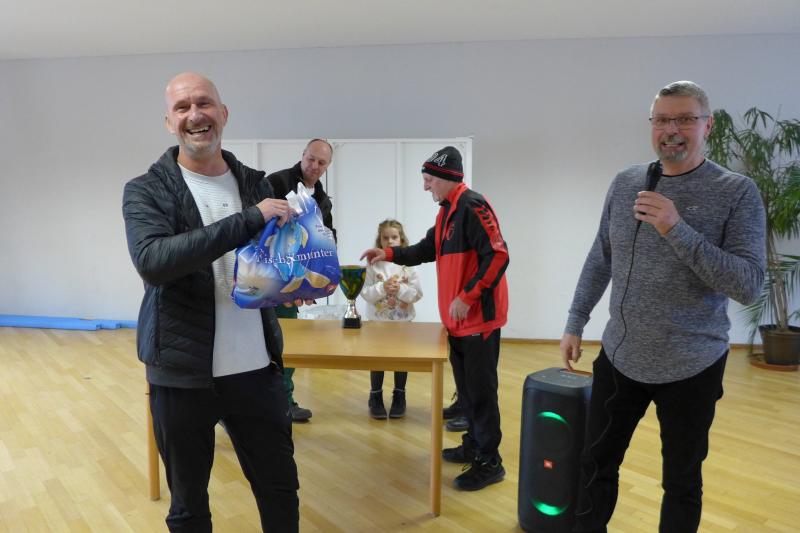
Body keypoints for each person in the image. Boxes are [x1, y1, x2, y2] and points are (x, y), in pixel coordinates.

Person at [560, 81, 766, 532]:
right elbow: (601, 256)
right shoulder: (626, 182)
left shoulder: (737, 192)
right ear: (651, 125)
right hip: (621, 356)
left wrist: (676, 228)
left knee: (681, 482)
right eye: (662, 119)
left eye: (685, 119)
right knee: (595, 464)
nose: (672, 129)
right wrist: (576, 320)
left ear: (708, 125)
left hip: (693, 365)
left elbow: (748, 285)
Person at [122, 72, 299, 532]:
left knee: (280, 492)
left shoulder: (258, 185)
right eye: (182, 107)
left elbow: (272, 269)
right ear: (169, 122)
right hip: (181, 375)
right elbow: (154, 262)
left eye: (204, 103)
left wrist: (301, 269)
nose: (195, 115)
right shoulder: (145, 190)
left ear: (223, 113)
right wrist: (248, 220)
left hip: (257, 370)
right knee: (189, 507)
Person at [361, 146, 509, 491]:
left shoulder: (473, 205)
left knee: (482, 395)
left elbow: (498, 256)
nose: (425, 186)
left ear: (446, 178)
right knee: (467, 393)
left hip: (479, 320)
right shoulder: (446, 214)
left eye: (429, 179)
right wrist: (387, 252)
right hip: (457, 323)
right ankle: (473, 445)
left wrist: (467, 296)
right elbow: (424, 250)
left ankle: (490, 462)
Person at [266, 139, 336, 422]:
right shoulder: (275, 182)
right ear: (303, 155)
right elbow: (253, 222)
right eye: (311, 159)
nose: (315, 166)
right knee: (253, 345)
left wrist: (319, 281)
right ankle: (249, 407)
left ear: (327, 166)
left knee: (287, 344)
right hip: (265, 276)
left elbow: (328, 240)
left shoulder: (323, 200)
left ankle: (284, 401)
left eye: (322, 163)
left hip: (294, 283)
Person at [360, 219, 423, 419]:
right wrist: (382, 287)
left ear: (401, 239)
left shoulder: (409, 264)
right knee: (377, 359)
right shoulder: (373, 264)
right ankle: (375, 396)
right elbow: (365, 293)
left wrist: (401, 289)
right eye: (385, 238)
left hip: (403, 324)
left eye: (394, 237)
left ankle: (399, 395)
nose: (390, 241)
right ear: (379, 240)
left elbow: (417, 294)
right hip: (377, 323)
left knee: (401, 360)